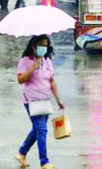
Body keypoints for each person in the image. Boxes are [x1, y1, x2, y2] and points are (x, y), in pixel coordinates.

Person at [15, 35, 64, 169]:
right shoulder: (26, 60)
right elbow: (20, 80)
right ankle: (44, 161)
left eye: (46, 45)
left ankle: (21, 152)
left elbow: (52, 81)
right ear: (34, 46)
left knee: (37, 130)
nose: (44, 47)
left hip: (45, 101)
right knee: (42, 130)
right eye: (41, 44)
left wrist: (59, 100)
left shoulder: (47, 61)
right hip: (31, 100)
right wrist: (32, 68)